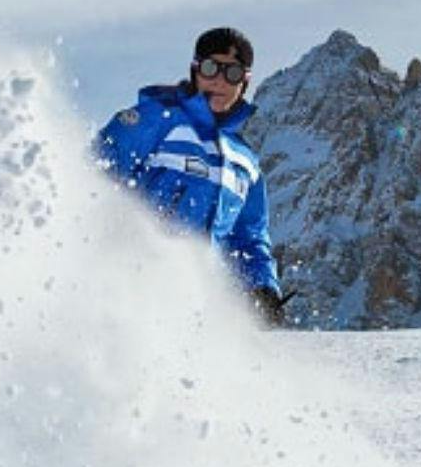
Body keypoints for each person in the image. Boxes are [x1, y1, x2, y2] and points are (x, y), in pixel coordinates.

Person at [93, 27, 288, 325]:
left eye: (232, 73)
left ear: (244, 82)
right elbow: (94, 174)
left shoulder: (245, 162)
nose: (220, 81)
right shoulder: (157, 119)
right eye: (211, 68)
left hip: (195, 305)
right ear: (195, 70)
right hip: (126, 289)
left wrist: (262, 287)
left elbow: (248, 237)